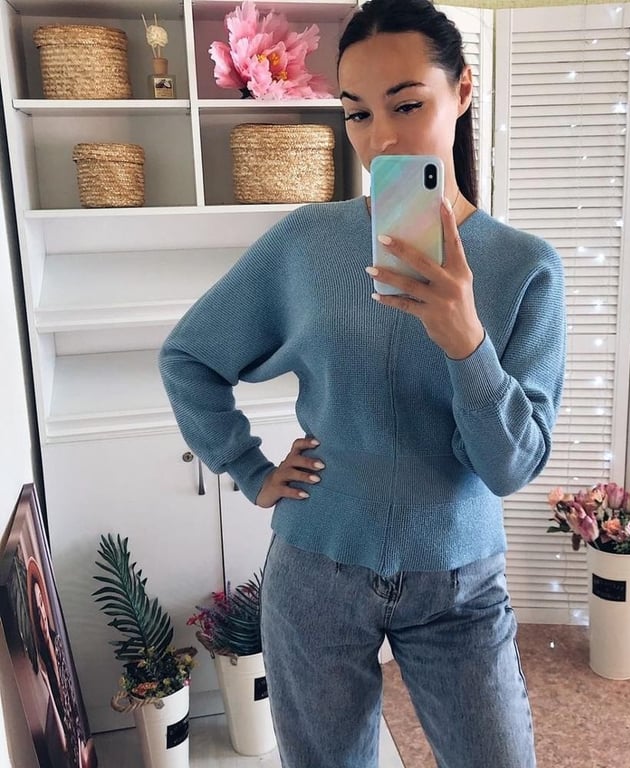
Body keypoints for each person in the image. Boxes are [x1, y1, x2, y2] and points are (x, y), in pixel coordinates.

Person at [159, 0, 565, 765]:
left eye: (407, 104)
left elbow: (510, 467)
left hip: (459, 583)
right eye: (357, 113)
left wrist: (466, 340)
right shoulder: (307, 243)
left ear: (462, 90)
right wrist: (247, 466)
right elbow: (189, 357)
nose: (381, 138)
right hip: (317, 568)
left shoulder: (525, 268)